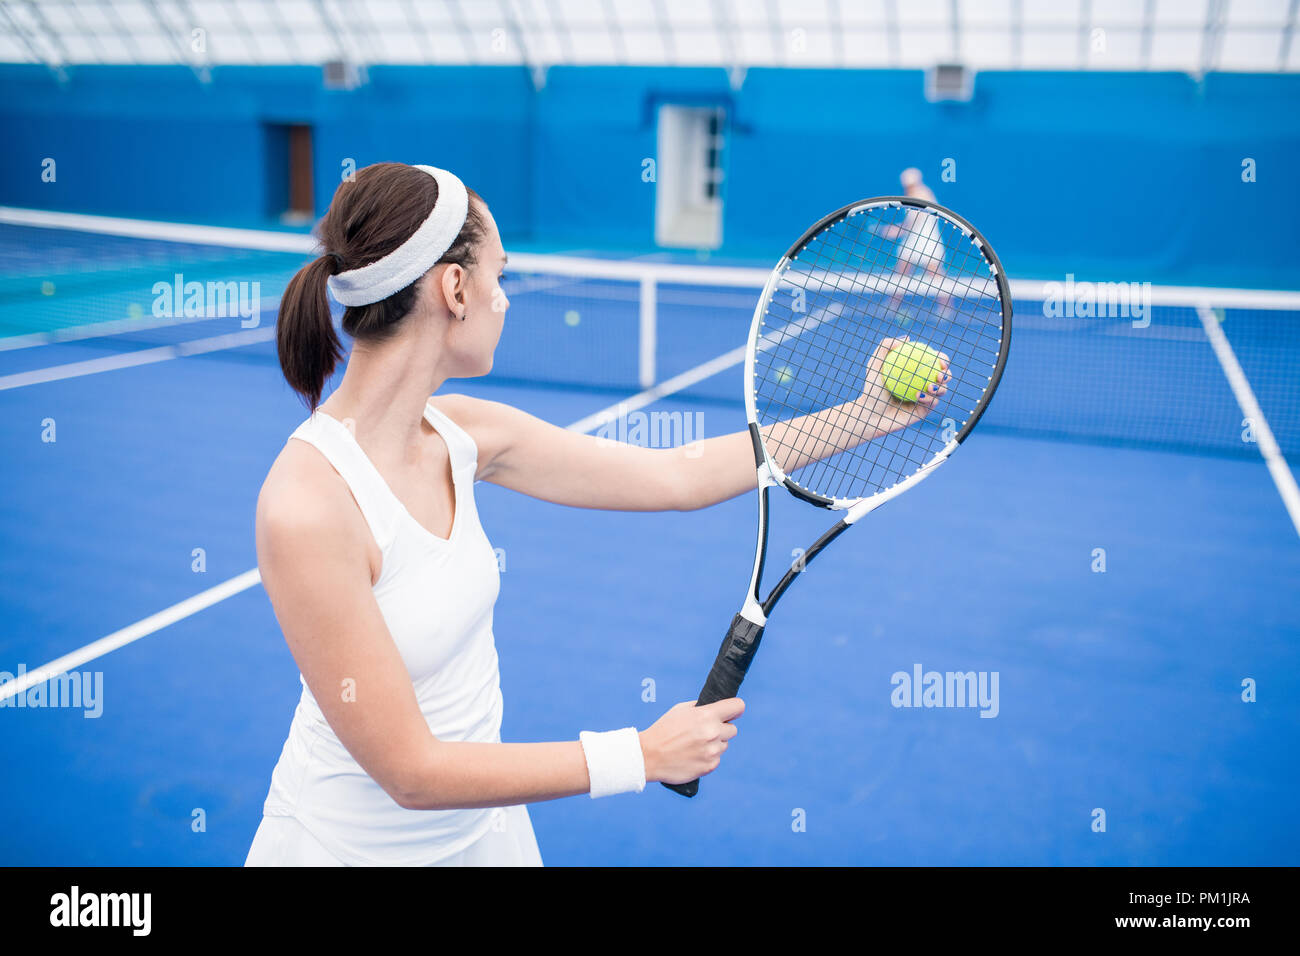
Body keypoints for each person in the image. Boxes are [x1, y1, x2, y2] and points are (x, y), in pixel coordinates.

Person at [245, 162, 946, 866]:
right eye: (500, 275)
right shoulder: (308, 504)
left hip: (484, 837)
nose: (504, 299)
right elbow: (411, 773)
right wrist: (639, 755)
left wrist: (868, 414)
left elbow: (676, 475)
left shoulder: (463, 433)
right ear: (455, 289)